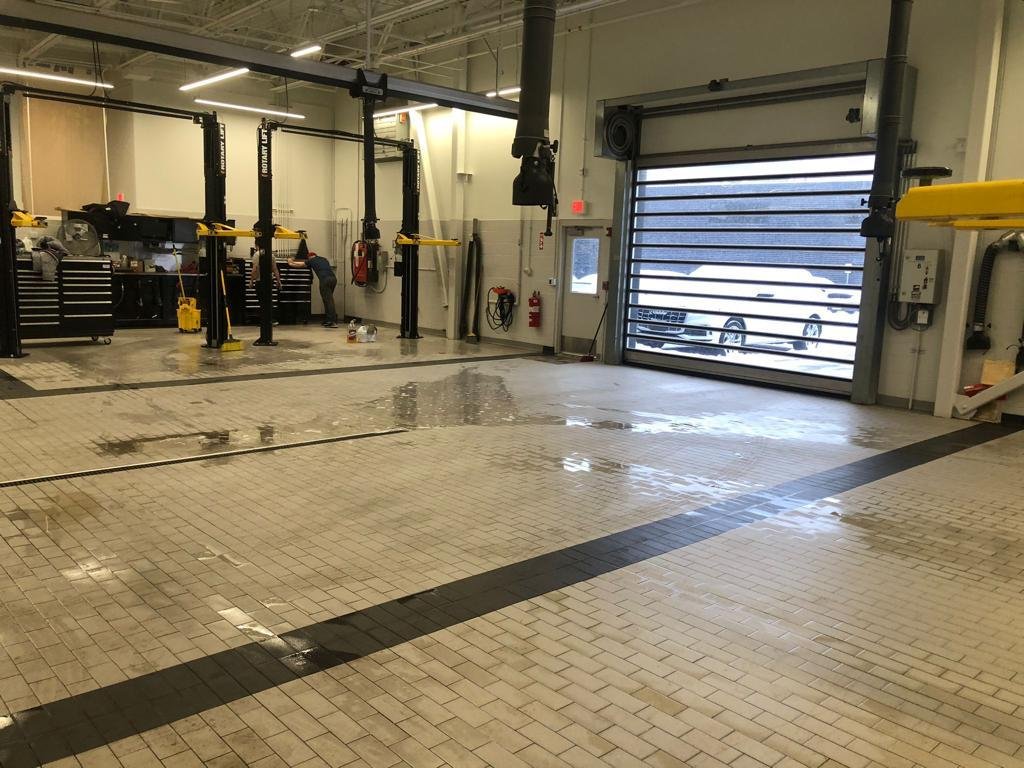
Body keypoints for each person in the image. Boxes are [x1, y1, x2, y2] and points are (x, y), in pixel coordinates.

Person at [290, 247, 338, 328]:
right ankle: (328, 320)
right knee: (328, 300)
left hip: (325, 280)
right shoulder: (324, 259)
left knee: (328, 301)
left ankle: (332, 321)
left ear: (309, 257)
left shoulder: (312, 260)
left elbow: (298, 265)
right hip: (333, 279)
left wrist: (290, 261)